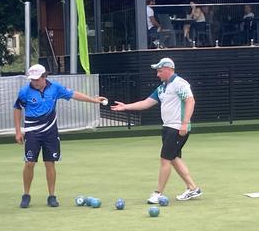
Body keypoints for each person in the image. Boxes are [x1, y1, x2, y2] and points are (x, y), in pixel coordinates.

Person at [14, 64, 107, 208]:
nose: (34, 82)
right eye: (32, 79)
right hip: (32, 132)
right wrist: (18, 131)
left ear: (45, 77)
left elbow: (74, 94)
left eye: (37, 79)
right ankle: (26, 195)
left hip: (50, 132)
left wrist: (94, 100)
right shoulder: (25, 91)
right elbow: (17, 108)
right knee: (29, 163)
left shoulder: (55, 88)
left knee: (50, 163)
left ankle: (51, 196)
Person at [110, 57, 202, 203]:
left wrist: (184, 124)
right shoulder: (162, 88)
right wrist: (126, 107)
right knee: (174, 158)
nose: (157, 74)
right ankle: (193, 188)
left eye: (159, 71)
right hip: (168, 127)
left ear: (168, 69)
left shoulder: (180, 84)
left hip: (177, 127)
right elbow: (146, 103)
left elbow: (190, 101)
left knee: (165, 159)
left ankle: (157, 193)